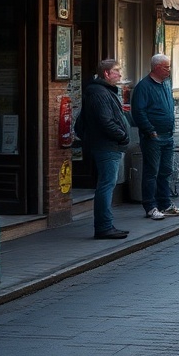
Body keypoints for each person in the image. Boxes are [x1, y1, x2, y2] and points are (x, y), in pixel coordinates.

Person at [74, 59, 131, 239]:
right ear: (106, 73)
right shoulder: (98, 92)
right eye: (116, 71)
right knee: (106, 185)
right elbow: (105, 121)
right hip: (107, 146)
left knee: (107, 184)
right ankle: (104, 226)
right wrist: (122, 135)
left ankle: (106, 225)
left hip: (109, 145)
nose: (120, 74)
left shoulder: (103, 91)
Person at [131, 54, 179, 220]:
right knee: (151, 172)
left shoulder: (166, 84)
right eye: (166, 67)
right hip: (153, 137)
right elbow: (138, 111)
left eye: (169, 67)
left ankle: (166, 204)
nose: (169, 70)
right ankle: (150, 206)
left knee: (165, 171)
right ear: (156, 67)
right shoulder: (144, 86)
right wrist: (150, 130)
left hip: (168, 136)